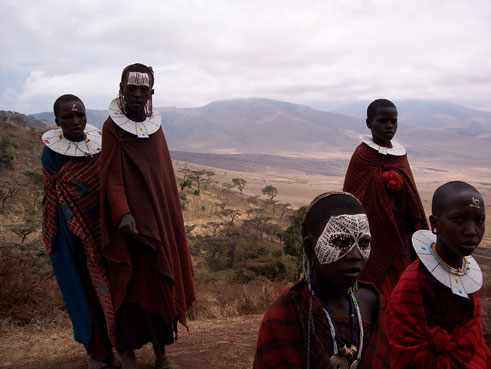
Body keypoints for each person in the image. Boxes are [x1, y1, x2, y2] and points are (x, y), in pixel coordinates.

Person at [99, 63, 195, 369]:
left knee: (159, 287)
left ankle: (161, 354)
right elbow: (111, 176)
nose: (138, 94)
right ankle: (126, 350)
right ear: (122, 89)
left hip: (156, 223)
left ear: (151, 92)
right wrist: (123, 212)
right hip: (126, 228)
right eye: (132, 88)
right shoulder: (112, 129)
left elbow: (161, 178)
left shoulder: (156, 129)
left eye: (144, 89)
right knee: (128, 288)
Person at [253, 191, 390, 369]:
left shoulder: (372, 302)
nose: (356, 255)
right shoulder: (287, 313)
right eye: (341, 241)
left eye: (364, 243)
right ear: (311, 249)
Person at [41, 94, 119, 369]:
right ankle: (95, 351)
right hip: (70, 234)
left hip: (103, 231)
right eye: (68, 117)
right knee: (82, 289)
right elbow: (62, 191)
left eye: (80, 116)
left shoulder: (99, 148)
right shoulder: (50, 153)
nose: (75, 121)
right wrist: (76, 230)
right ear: (57, 121)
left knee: (109, 287)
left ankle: (114, 345)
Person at [386, 181, 491, 368]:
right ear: (434, 224)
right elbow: (403, 351)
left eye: (479, 220)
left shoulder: (467, 277)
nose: (471, 231)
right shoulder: (414, 283)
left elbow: (473, 343)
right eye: (459, 220)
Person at [343, 98, 428, 301]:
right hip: (374, 236)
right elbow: (355, 197)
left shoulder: (400, 156)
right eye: (382, 121)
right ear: (368, 123)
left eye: (393, 121)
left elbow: (412, 197)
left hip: (402, 234)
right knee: (381, 288)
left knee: (406, 284)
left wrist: (398, 184)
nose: (389, 126)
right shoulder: (362, 156)